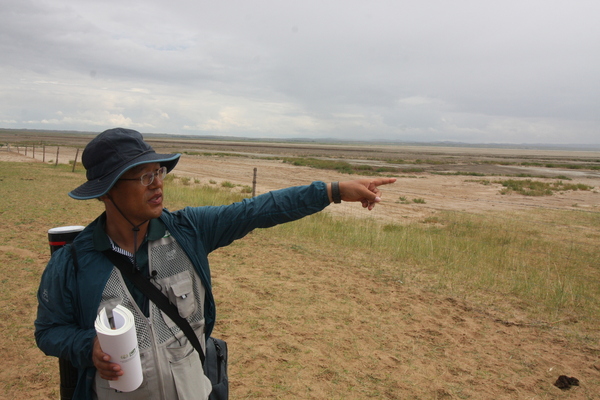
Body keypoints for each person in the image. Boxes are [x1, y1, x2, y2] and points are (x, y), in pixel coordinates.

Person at [35, 127, 396, 400]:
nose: (158, 185)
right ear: (107, 190)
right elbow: (49, 331)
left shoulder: (189, 231)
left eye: (159, 173)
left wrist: (333, 191)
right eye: (145, 177)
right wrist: (89, 348)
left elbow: (257, 210)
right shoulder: (73, 263)